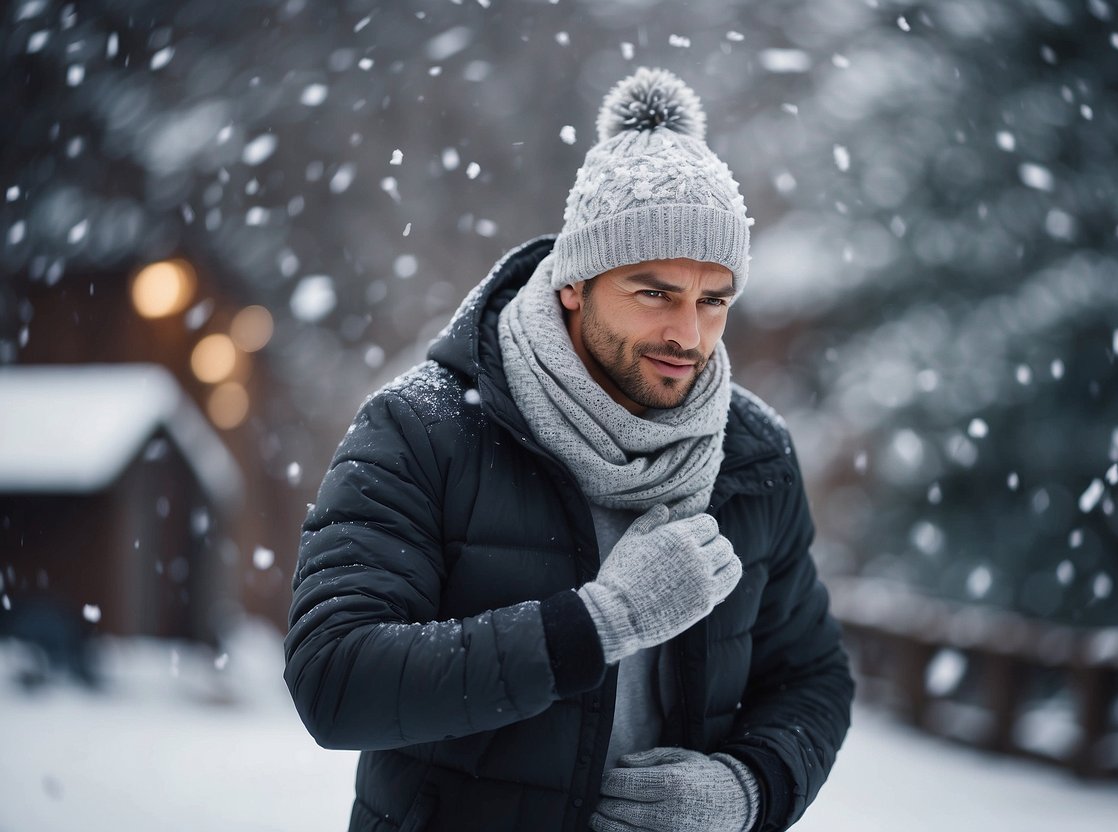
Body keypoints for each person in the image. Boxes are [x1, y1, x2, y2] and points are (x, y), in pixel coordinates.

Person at [284, 67, 853, 832]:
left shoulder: (752, 456)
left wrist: (749, 790)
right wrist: (599, 621)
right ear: (573, 284)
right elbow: (335, 679)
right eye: (653, 292)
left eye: (712, 300)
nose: (687, 335)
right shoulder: (421, 428)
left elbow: (813, 676)